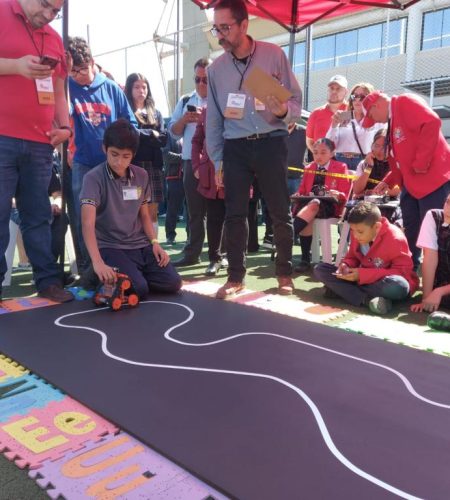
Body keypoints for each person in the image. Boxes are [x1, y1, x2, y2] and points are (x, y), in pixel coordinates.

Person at [206, 0, 302, 298]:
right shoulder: (216, 69)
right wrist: (218, 159)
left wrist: (284, 109)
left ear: (244, 26)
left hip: (272, 142)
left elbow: (297, 103)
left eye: (225, 28)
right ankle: (236, 277)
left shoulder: (274, 55)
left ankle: (284, 273)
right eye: (216, 28)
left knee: (279, 211)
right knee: (235, 214)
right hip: (235, 148)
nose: (219, 35)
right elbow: (213, 120)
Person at [0, 0, 73, 302]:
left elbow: (59, 90)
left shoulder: (54, 39)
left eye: (55, 11)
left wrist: (66, 128)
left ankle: (47, 281)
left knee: (39, 215)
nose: (49, 14)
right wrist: (15, 66)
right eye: (45, 5)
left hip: (41, 142)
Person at [80, 119, 182, 299]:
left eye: (126, 156)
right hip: (110, 247)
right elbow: (87, 223)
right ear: (105, 149)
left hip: (140, 246)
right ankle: (96, 275)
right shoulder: (92, 178)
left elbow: (144, 216)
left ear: (133, 155)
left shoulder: (141, 175)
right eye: (114, 154)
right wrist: (97, 262)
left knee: (173, 283)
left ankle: (129, 277)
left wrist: (155, 243)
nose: (119, 162)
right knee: (139, 289)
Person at [67, 36, 138, 273]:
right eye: (73, 70)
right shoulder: (66, 87)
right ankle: (88, 270)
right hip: (83, 165)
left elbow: (129, 124)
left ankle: (117, 263)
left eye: (82, 69)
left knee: (114, 217)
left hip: (113, 167)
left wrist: (124, 154)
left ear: (93, 62)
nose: (77, 75)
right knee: (82, 218)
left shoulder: (110, 88)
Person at [362, 90, 450, 270]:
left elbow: (432, 122)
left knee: (436, 231)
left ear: (376, 104)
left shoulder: (403, 101)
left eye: (372, 115)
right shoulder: (392, 119)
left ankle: (440, 276)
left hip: (432, 181)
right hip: (412, 185)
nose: (375, 121)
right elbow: (399, 160)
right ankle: (409, 269)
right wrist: (388, 180)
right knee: (412, 228)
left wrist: (422, 161)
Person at [314, 202, 419, 315]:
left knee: (399, 286)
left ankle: (343, 292)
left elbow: (402, 273)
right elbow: (352, 257)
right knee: (320, 269)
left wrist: (362, 275)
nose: (355, 236)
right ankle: (367, 300)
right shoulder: (359, 232)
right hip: (362, 282)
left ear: (377, 227)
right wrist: (346, 265)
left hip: (381, 283)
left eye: (360, 232)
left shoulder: (396, 238)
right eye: (352, 231)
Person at [169, 58, 210, 267]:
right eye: (197, 79)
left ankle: (216, 255)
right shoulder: (185, 101)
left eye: (206, 79)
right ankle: (192, 253)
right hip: (189, 163)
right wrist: (184, 120)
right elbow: (173, 133)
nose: (201, 83)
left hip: (214, 164)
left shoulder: (221, 99)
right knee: (194, 212)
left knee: (216, 212)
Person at [292, 138, 351, 272]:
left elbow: (345, 194)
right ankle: (304, 257)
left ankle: (291, 242)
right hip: (310, 205)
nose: (318, 156)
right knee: (312, 206)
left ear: (332, 153)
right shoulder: (309, 167)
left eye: (323, 152)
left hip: (331, 205)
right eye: (315, 152)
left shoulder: (341, 167)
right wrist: (298, 195)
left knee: (314, 204)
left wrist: (337, 193)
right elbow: (302, 191)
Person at [125, 73, 166, 238]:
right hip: (132, 167)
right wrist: (151, 133)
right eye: (137, 86)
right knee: (132, 210)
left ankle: (153, 250)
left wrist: (142, 135)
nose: (141, 90)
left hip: (153, 167)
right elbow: (130, 134)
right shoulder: (126, 111)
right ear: (129, 89)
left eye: (144, 87)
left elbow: (163, 139)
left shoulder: (156, 113)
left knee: (152, 212)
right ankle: (134, 248)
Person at [191, 106, 228, 276]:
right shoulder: (206, 111)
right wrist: (196, 165)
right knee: (213, 217)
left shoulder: (240, 104)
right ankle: (215, 258)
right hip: (210, 174)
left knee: (238, 217)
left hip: (236, 170)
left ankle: (234, 257)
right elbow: (197, 140)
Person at [326, 82, 381, 170]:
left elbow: (381, 143)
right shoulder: (344, 116)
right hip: (340, 160)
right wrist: (334, 125)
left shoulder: (375, 119)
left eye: (362, 97)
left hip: (363, 161)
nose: (357, 100)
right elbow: (328, 143)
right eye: (354, 96)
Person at [411, 194, 450, 314]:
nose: (448, 208)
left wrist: (440, 292)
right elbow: (430, 259)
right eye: (448, 202)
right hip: (439, 285)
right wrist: (426, 298)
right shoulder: (433, 216)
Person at [306, 75, 348, 153]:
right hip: (323, 164)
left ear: (346, 91)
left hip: (347, 162)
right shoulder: (316, 113)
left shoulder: (351, 111)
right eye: (331, 88)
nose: (334, 92)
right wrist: (320, 157)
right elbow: (309, 141)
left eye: (338, 89)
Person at [163, 133, 185, 246]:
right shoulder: (169, 135)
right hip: (174, 178)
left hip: (191, 177)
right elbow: (166, 155)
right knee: (173, 209)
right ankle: (170, 236)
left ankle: (192, 237)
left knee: (193, 210)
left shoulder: (191, 133)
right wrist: (184, 156)